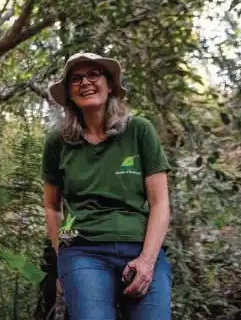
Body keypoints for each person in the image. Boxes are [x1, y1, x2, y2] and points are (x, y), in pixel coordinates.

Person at [41, 52, 173, 320]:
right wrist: (62, 260)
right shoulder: (57, 142)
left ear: (110, 85)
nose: (85, 82)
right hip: (83, 250)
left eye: (93, 75)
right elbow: (52, 208)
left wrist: (147, 261)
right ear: (69, 94)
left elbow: (160, 203)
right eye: (76, 79)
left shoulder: (139, 131)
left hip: (140, 246)